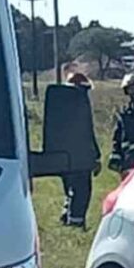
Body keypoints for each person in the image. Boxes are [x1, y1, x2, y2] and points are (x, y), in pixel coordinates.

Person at [59, 71, 101, 228]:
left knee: (71, 188)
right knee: (81, 190)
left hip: (64, 156)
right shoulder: (79, 104)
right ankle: (75, 222)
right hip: (79, 156)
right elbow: (86, 133)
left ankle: (66, 216)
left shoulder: (61, 105)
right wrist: (95, 156)